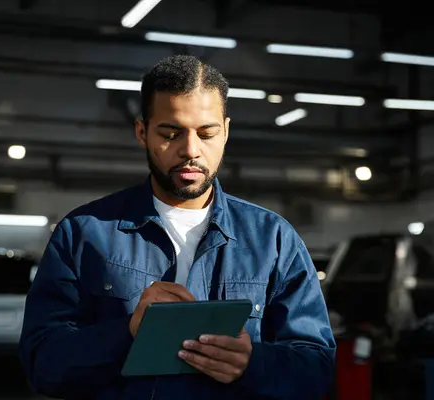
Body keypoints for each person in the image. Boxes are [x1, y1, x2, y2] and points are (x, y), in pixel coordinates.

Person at [19, 54, 336, 399]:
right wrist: (128, 332)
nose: (190, 150)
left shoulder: (274, 240)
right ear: (142, 132)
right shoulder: (83, 234)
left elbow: (317, 368)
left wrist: (253, 363)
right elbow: (43, 364)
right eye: (171, 133)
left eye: (207, 133)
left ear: (226, 132)